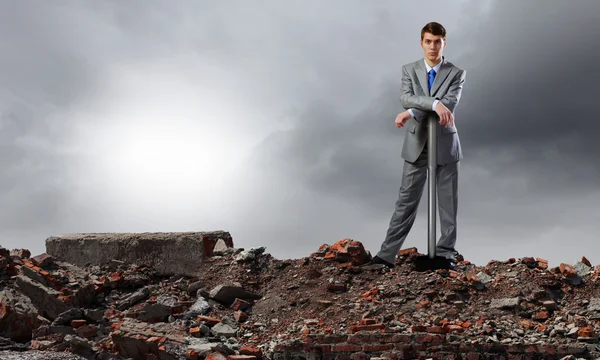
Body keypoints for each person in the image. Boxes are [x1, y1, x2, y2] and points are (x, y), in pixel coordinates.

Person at [368, 21, 467, 270]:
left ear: (444, 43)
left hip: (445, 145)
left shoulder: (457, 73)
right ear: (421, 43)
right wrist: (432, 105)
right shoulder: (409, 70)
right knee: (405, 201)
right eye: (428, 41)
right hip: (416, 144)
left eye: (437, 42)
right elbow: (405, 97)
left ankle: (445, 255)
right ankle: (386, 256)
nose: (433, 46)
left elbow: (450, 105)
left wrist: (414, 110)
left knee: (447, 203)